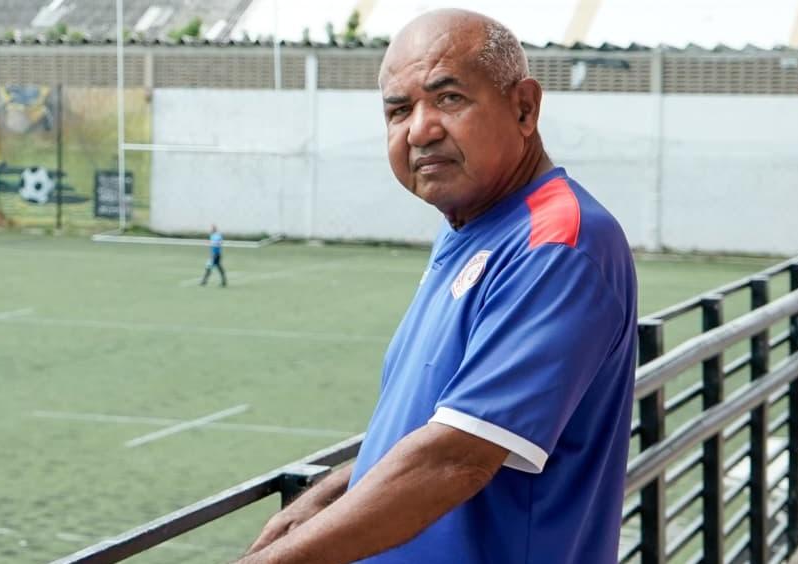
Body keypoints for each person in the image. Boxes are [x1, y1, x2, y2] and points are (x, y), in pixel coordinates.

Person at [240, 9, 637, 564]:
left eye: (448, 99)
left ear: (524, 108)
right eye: (398, 110)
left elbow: (457, 457)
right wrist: (329, 493)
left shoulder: (557, 243)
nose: (420, 129)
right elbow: (443, 420)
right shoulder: (475, 229)